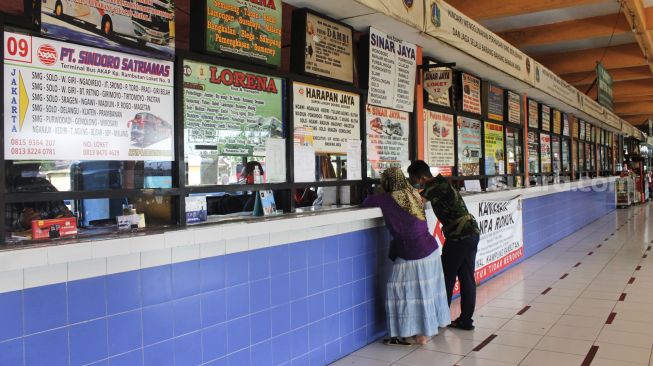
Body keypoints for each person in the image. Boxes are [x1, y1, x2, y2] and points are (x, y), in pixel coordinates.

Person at [362, 167, 450, 345]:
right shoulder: (413, 193)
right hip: (430, 249)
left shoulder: (386, 198)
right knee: (426, 292)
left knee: (400, 291)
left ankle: (410, 334)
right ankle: (425, 332)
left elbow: (366, 202)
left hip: (413, 252)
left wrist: (377, 192)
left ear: (387, 182)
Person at [408, 160, 480, 330]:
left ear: (421, 177)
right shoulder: (440, 183)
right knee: (467, 277)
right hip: (470, 233)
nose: (414, 183)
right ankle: (465, 321)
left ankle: (441, 317)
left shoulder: (433, 187)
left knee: (446, 277)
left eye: (414, 179)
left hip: (459, 237)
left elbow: (414, 202)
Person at [5, 163, 73, 232]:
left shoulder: (46, 187)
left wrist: (66, 218)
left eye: (34, 167)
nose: (30, 172)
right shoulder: (5, 192)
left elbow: (63, 213)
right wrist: (21, 223)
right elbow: (4, 232)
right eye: (25, 168)